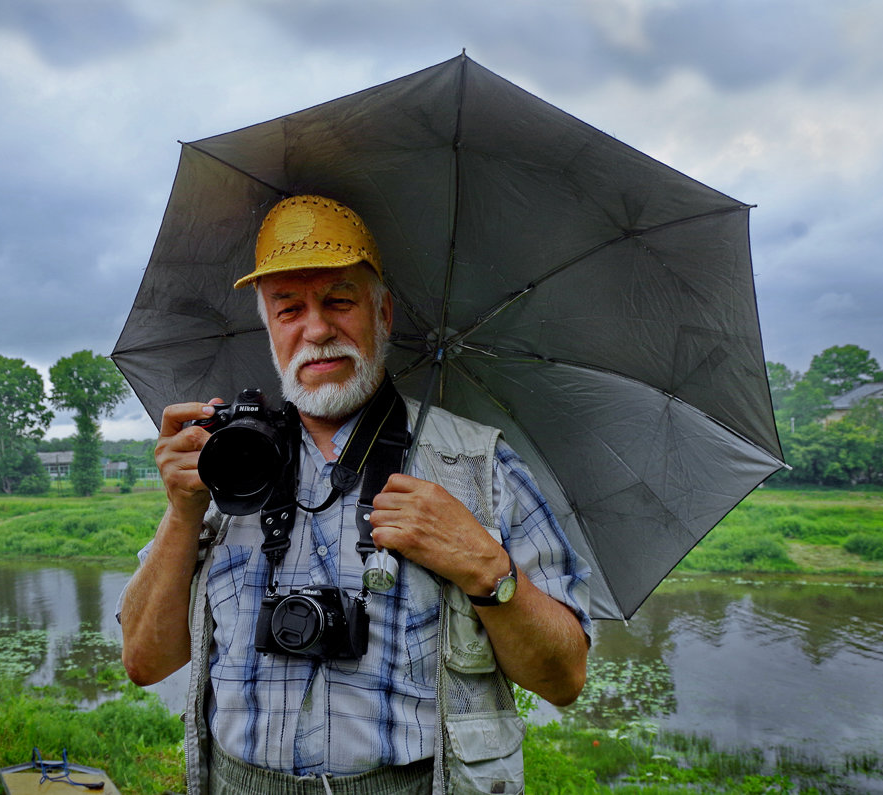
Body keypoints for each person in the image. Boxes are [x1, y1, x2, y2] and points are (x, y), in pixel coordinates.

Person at [119, 195, 591, 795]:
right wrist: (183, 512)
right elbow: (144, 661)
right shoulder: (223, 462)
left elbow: (564, 679)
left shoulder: (477, 464)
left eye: (339, 301)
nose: (316, 330)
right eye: (289, 308)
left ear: (384, 313)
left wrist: (484, 568)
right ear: (268, 325)